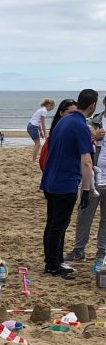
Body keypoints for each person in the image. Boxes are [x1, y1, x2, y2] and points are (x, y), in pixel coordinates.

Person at [41, 88, 99, 278]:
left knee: (52, 223)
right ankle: (52, 265)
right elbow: (86, 161)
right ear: (93, 106)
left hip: (50, 179)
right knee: (59, 224)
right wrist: (86, 190)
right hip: (65, 182)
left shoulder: (63, 120)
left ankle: (55, 260)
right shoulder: (81, 126)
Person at [67, 100, 106, 262]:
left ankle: (102, 251)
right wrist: (93, 137)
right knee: (85, 215)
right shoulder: (91, 122)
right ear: (104, 102)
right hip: (92, 177)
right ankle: (78, 250)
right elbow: (77, 144)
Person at [39, 99, 77, 171]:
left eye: (76, 113)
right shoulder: (60, 131)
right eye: (70, 113)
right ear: (61, 113)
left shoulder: (72, 128)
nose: (73, 116)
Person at [27, 99, 55, 164]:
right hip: (33, 127)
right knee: (38, 144)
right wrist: (45, 134)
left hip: (30, 126)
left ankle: (33, 160)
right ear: (49, 105)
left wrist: (41, 132)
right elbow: (43, 123)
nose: (51, 109)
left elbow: (37, 121)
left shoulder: (41, 109)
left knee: (37, 144)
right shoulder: (44, 111)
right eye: (52, 107)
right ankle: (33, 161)